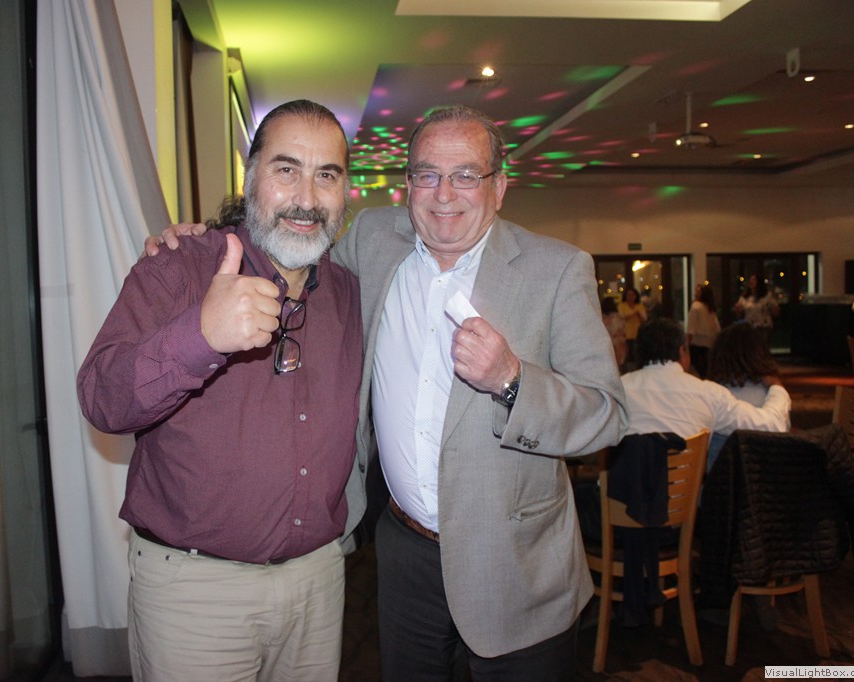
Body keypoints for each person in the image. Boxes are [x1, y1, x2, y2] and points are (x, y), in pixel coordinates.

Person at [151, 105, 629, 681]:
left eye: (466, 175)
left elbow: (607, 415)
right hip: (404, 555)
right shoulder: (375, 240)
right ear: (407, 184)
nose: (444, 194)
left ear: (499, 186)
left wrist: (512, 381)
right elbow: (288, 242)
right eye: (427, 174)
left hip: (514, 563)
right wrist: (207, 239)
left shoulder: (556, 270)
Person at [77, 100, 365, 681]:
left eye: (327, 175)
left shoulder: (350, 291)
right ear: (251, 175)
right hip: (195, 591)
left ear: (345, 191)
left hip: (318, 581)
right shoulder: (180, 268)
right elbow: (101, 398)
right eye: (286, 169)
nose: (307, 197)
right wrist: (200, 336)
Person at [621, 318, 790, 443]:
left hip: (624, 482)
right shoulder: (709, 394)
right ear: (683, 352)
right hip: (686, 482)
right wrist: (776, 387)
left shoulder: (617, 390)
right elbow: (772, 424)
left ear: (637, 354)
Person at [705, 322, 790, 471]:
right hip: (767, 476)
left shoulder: (710, 394)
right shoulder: (773, 393)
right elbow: (783, 431)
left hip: (721, 480)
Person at [686, 283, 720, 378]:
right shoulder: (710, 308)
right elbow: (716, 326)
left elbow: (692, 325)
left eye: (697, 291)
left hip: (697, 340)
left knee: (696, 365)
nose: (695, 293)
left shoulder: (695, 306)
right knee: (706, 365)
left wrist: (688, 340)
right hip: (709, 341)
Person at [618, 287, 647, 364]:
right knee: (627, 352)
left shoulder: (640, 306)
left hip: (637, 331)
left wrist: (638, 314)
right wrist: (634, 313)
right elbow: (622, 316)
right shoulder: (622, 305)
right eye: (629, 295)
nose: (630, 297)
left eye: (633, 295)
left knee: (636, 352)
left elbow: (644, 318)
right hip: (625, 332)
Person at [601, 296, 627, 369]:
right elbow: (622, 329)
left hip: (606, 342)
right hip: (618, 341)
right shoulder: (618, 317)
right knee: (618, 362)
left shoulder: (601, 318)